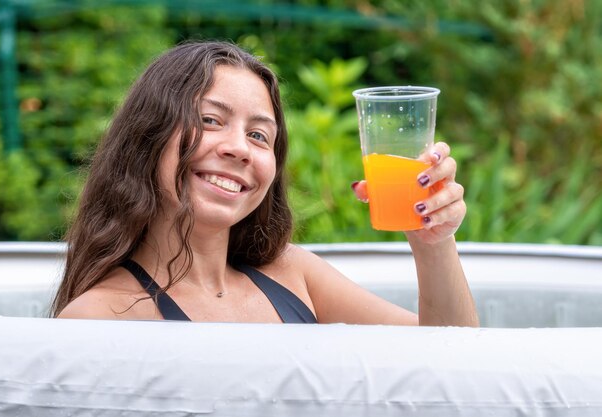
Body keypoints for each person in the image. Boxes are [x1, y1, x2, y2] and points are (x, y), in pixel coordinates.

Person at [52, 40, 479, 326]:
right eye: (210, 120)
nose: (239, 149)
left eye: (259, 135)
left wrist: (433, 244)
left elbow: (450, 362)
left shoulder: (293, 274)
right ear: (148, 137)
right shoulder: (99, 316)